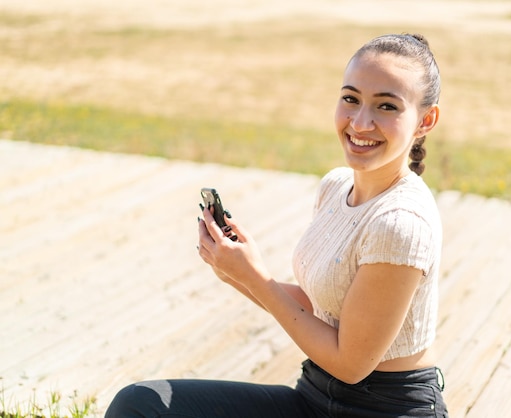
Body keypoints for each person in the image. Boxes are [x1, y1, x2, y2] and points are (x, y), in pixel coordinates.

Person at [105, 33, 449, 418]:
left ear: (425, 120)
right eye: (350, 99)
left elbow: (351, 364)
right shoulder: (337, 186)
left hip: (386, 409)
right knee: (138, 406)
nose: (360, 122)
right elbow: (324, 310)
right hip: (314, 397)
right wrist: (234, 269)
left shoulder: (402, 223)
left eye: (386, 106)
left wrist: (256, 280)